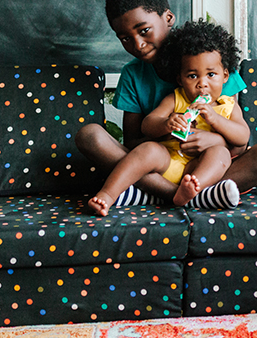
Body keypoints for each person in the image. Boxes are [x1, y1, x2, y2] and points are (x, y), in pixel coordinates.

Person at [76, 0, 257, 210]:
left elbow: (238, 143)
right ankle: (189, 196)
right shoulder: (133, 75)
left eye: (144, 31)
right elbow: (134, 142)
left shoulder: (213, 61)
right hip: (162, 162)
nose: (138, 45)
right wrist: (167, 132)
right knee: (90, 136)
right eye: (125, 38)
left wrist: (214, 139)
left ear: (168, 18)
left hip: (211, 165)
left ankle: (159, 192)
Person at [87, 20, 248, 215]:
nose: (202, 84)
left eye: (211, 74)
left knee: (220, 154)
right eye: (192, 76)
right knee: (149, 149)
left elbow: (242, 137)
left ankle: (193, 190)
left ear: (225, 76)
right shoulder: (176, 98)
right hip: (168, 162)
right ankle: (108, 195)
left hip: (196, 168)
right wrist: (167, 123)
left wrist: (215, 119)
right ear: (180, 79)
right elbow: (147, 125)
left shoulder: (227, 105)